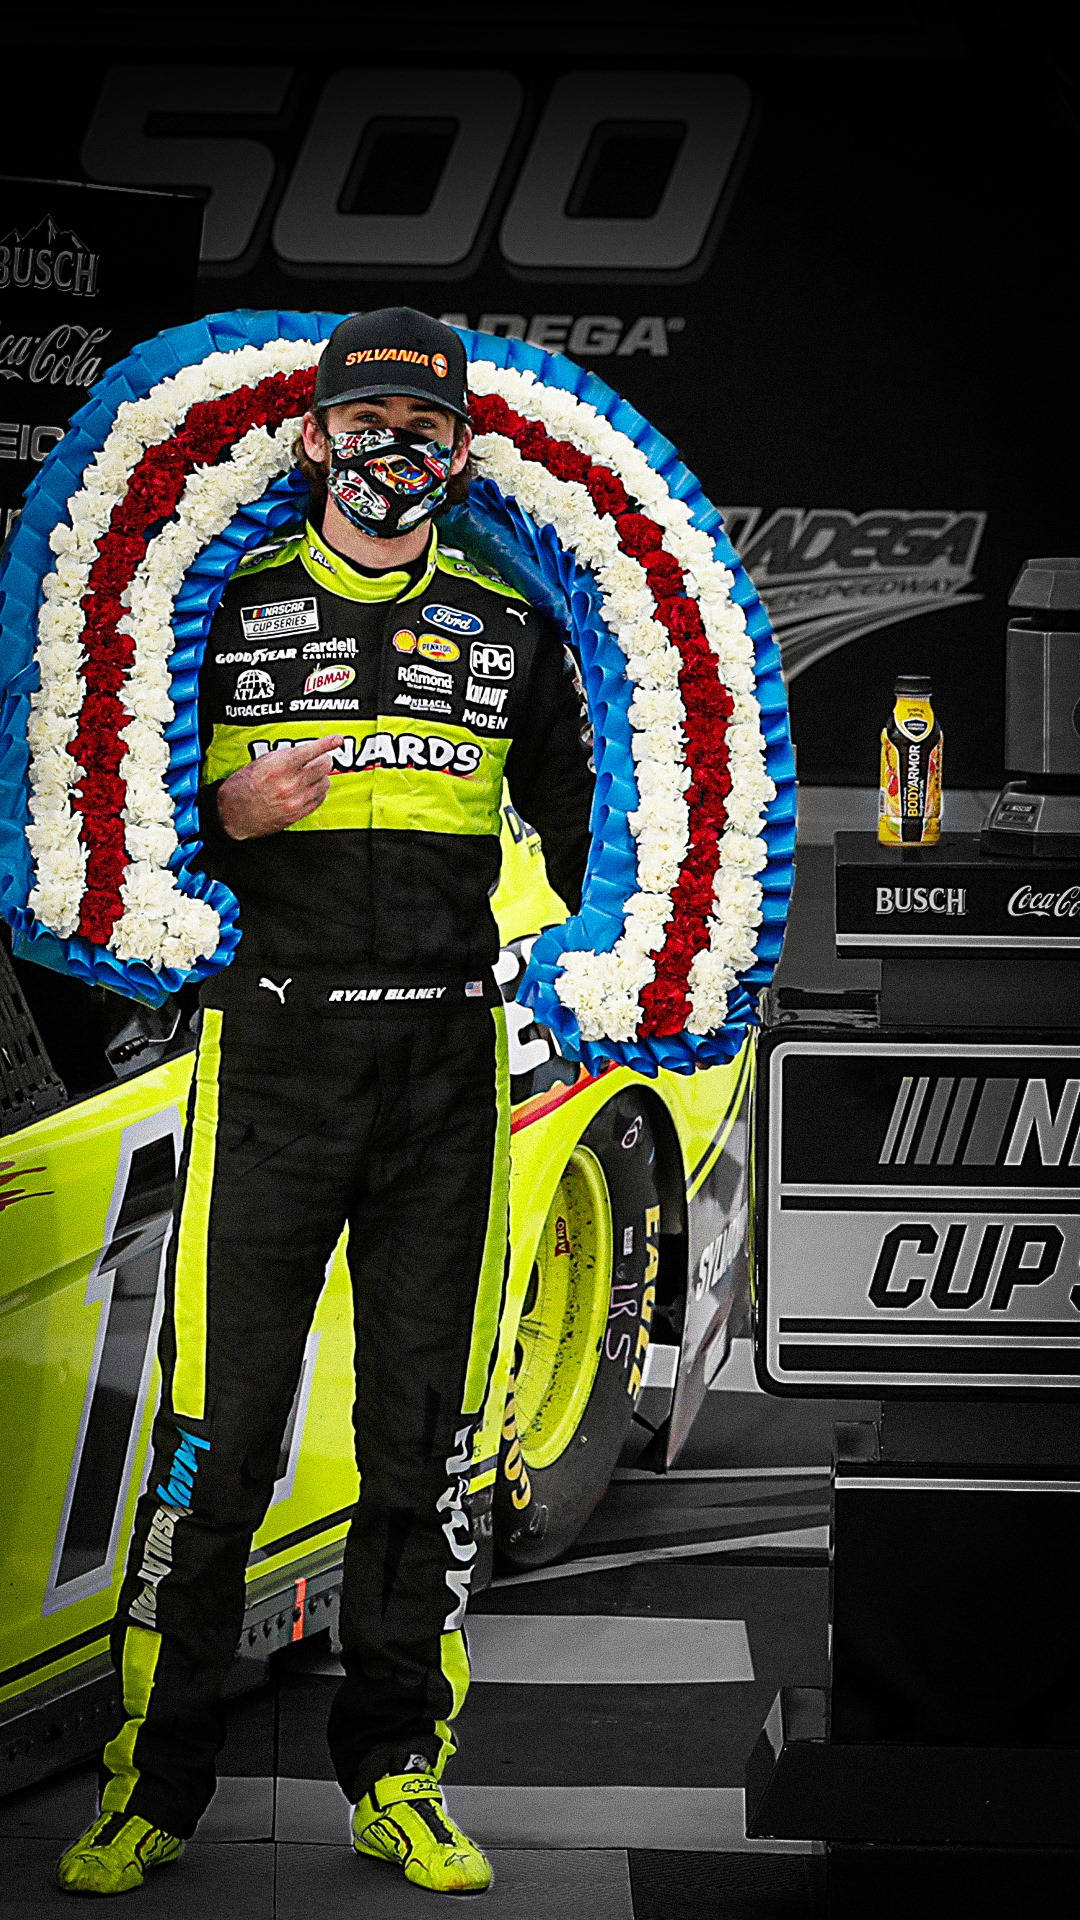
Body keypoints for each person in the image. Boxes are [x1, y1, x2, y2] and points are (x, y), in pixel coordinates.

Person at [56, 307, 594, 1898]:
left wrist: (616, 970)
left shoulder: (513, 628)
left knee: (420, 1442)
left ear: (466, 457)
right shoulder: (212, 611)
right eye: (365, 422)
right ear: (310, 439)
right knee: (215, 1448)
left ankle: (398, 1771)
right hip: (274, 1063)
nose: (394, 455)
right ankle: (152, 1788)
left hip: (445, 1073)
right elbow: (110, 843)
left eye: (426, 433)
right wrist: (225, 811)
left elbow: (591, 859)